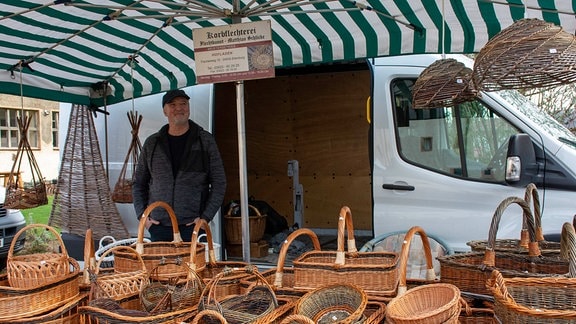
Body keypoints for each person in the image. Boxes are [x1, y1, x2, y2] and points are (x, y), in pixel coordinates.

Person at [132, 89, 227, 242]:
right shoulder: (152, 143)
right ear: (165, 111)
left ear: (189, 108)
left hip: (193, 226)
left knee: (195, 266)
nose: (179, 108)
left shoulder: (205, 141)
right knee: (161, 267)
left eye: (183, 104)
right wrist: (143, 217)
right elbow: (138, 184)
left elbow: (219, 183)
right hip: (159, 226)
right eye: (172, 105)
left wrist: (205, 218)